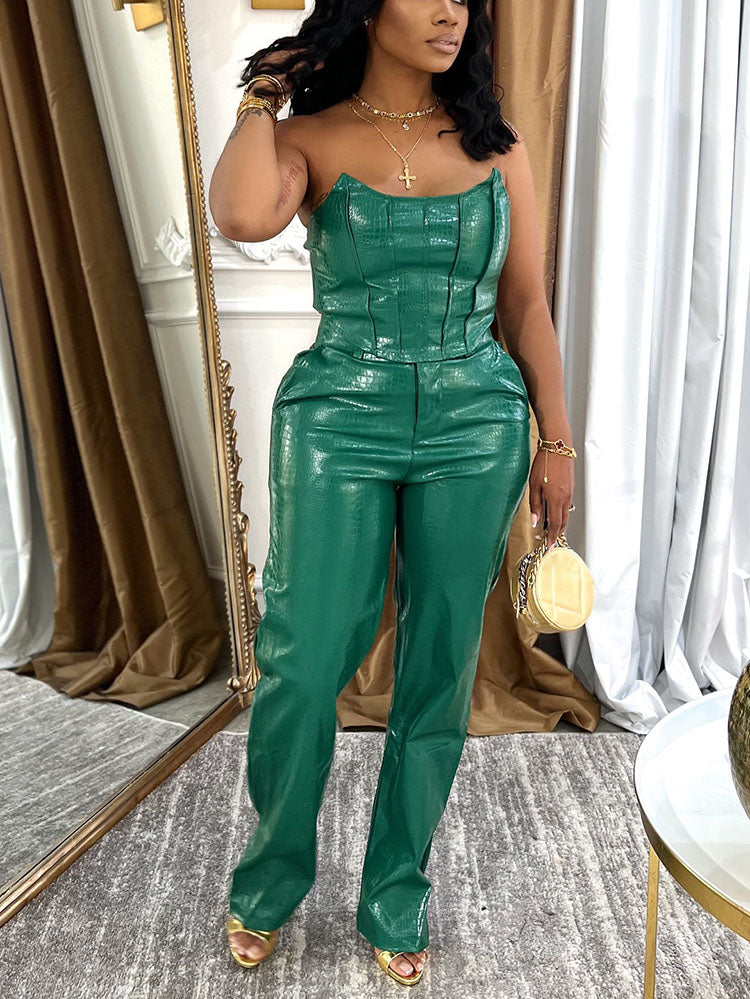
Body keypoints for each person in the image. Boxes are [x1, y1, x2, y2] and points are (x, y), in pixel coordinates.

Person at [209, 0, 575, 987]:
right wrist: (262, 95)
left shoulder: (497, 147)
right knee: (303, 660)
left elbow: (526, 305)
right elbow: (241, 216)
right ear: (369, 8)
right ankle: (269, 880)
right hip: (340, 413)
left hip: (476, 421)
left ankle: (396, 890)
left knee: (441, 666)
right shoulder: (309, 138)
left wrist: (557, 440)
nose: (452, 10)